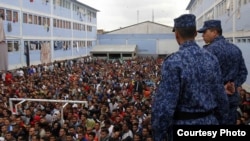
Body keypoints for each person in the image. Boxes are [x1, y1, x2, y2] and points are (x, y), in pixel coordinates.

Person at [151, 14, 229, 141]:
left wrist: (159, 135)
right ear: (195, 33)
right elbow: (221, 99)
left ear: (176, 35)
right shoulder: (211, 59)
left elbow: (165, 107)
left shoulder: (173, 61)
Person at [197, 20, 248, 124]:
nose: (202, 36)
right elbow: (243, 72)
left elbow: (202, 77)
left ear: (215, 32)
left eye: (205, 32)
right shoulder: (235, 49)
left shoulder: (208, 51)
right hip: (231, 100)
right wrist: (234, 84)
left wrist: (220, 88)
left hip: (214, 101)